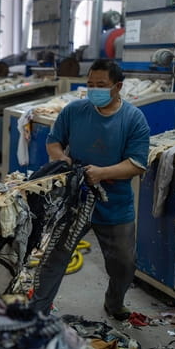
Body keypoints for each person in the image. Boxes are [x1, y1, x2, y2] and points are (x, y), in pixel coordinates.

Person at [32, 59, 150, 320]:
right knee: (55, 256)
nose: (94, 90)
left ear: (118, 86)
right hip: (76, 198)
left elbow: (137, 164)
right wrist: (61, 159)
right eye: (90, 84)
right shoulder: (74, 111)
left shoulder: (133, 119)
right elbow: (54, 142)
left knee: (123, 264)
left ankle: (114, 302)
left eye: (101, 85)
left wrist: (102, 174)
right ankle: (38, 312)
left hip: (115, 203)